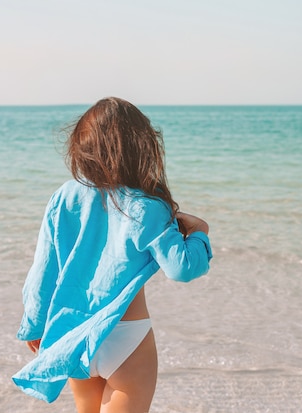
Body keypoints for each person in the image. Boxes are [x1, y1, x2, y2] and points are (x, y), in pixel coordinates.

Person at [12, 97, 212, 412]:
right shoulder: (148, 207)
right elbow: (182, 268)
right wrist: (199, 231)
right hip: (127, 338)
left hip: (75, 334)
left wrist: (34, 325)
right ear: (141, 148)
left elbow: (44, 269)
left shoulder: (65, 197)